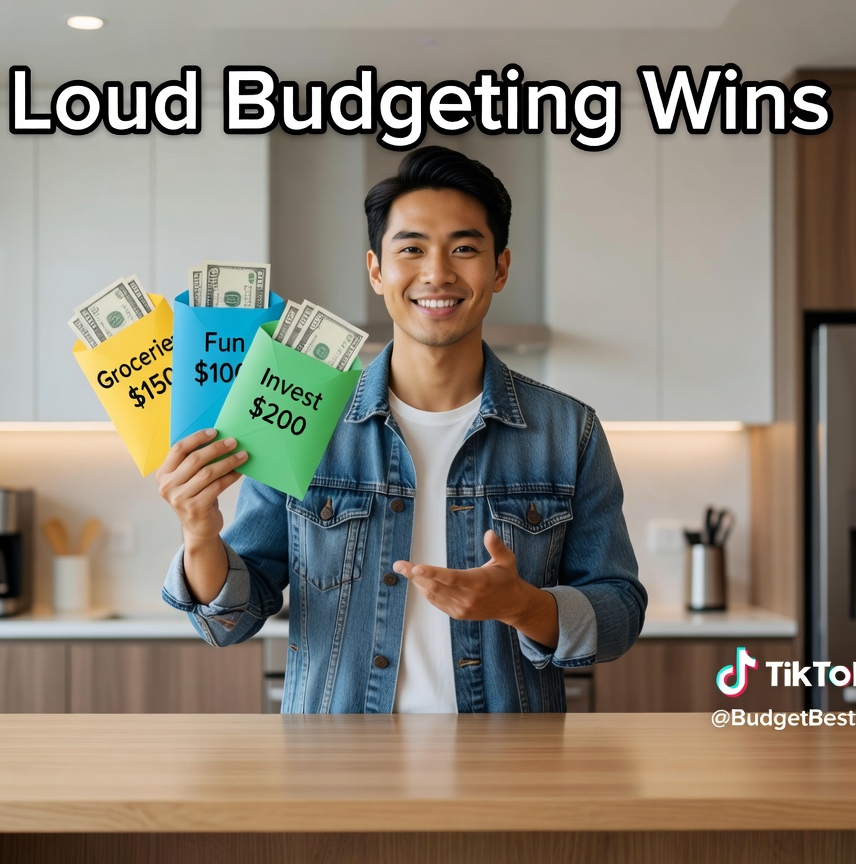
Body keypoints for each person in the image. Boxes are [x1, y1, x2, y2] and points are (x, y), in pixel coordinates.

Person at [158, 145, 646, 713]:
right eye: (411, 248)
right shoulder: (303, 414)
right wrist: (199, 534)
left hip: (506, 762)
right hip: (339, 759)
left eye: (464, 248)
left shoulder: (567, 430)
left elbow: (619, 610)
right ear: (376, 270)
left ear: (500, 268)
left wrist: (524, 606)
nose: (437, 273)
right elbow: (230, 621)